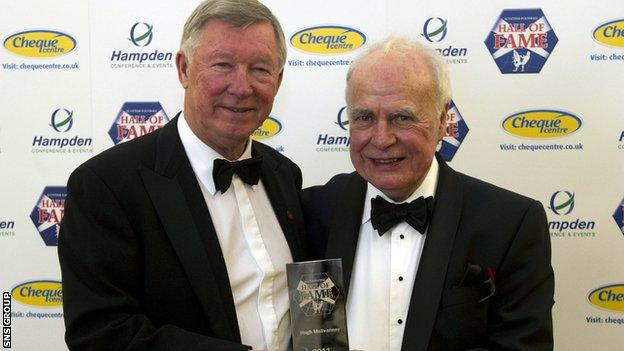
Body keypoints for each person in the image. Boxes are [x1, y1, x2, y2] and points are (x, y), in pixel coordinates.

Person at [58, 1, 306, 350]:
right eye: (223, 64)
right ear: (184, 68)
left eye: (260, 69)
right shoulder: (106, 185)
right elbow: (101, 333)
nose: (241, 86)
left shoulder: (285, 176)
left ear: (278, 80)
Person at [302, 37, 554, 351]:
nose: (381, 139)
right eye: (364, 117)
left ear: (442, 121)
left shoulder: (511, 224)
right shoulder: (311, 211)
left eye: (402, 117)